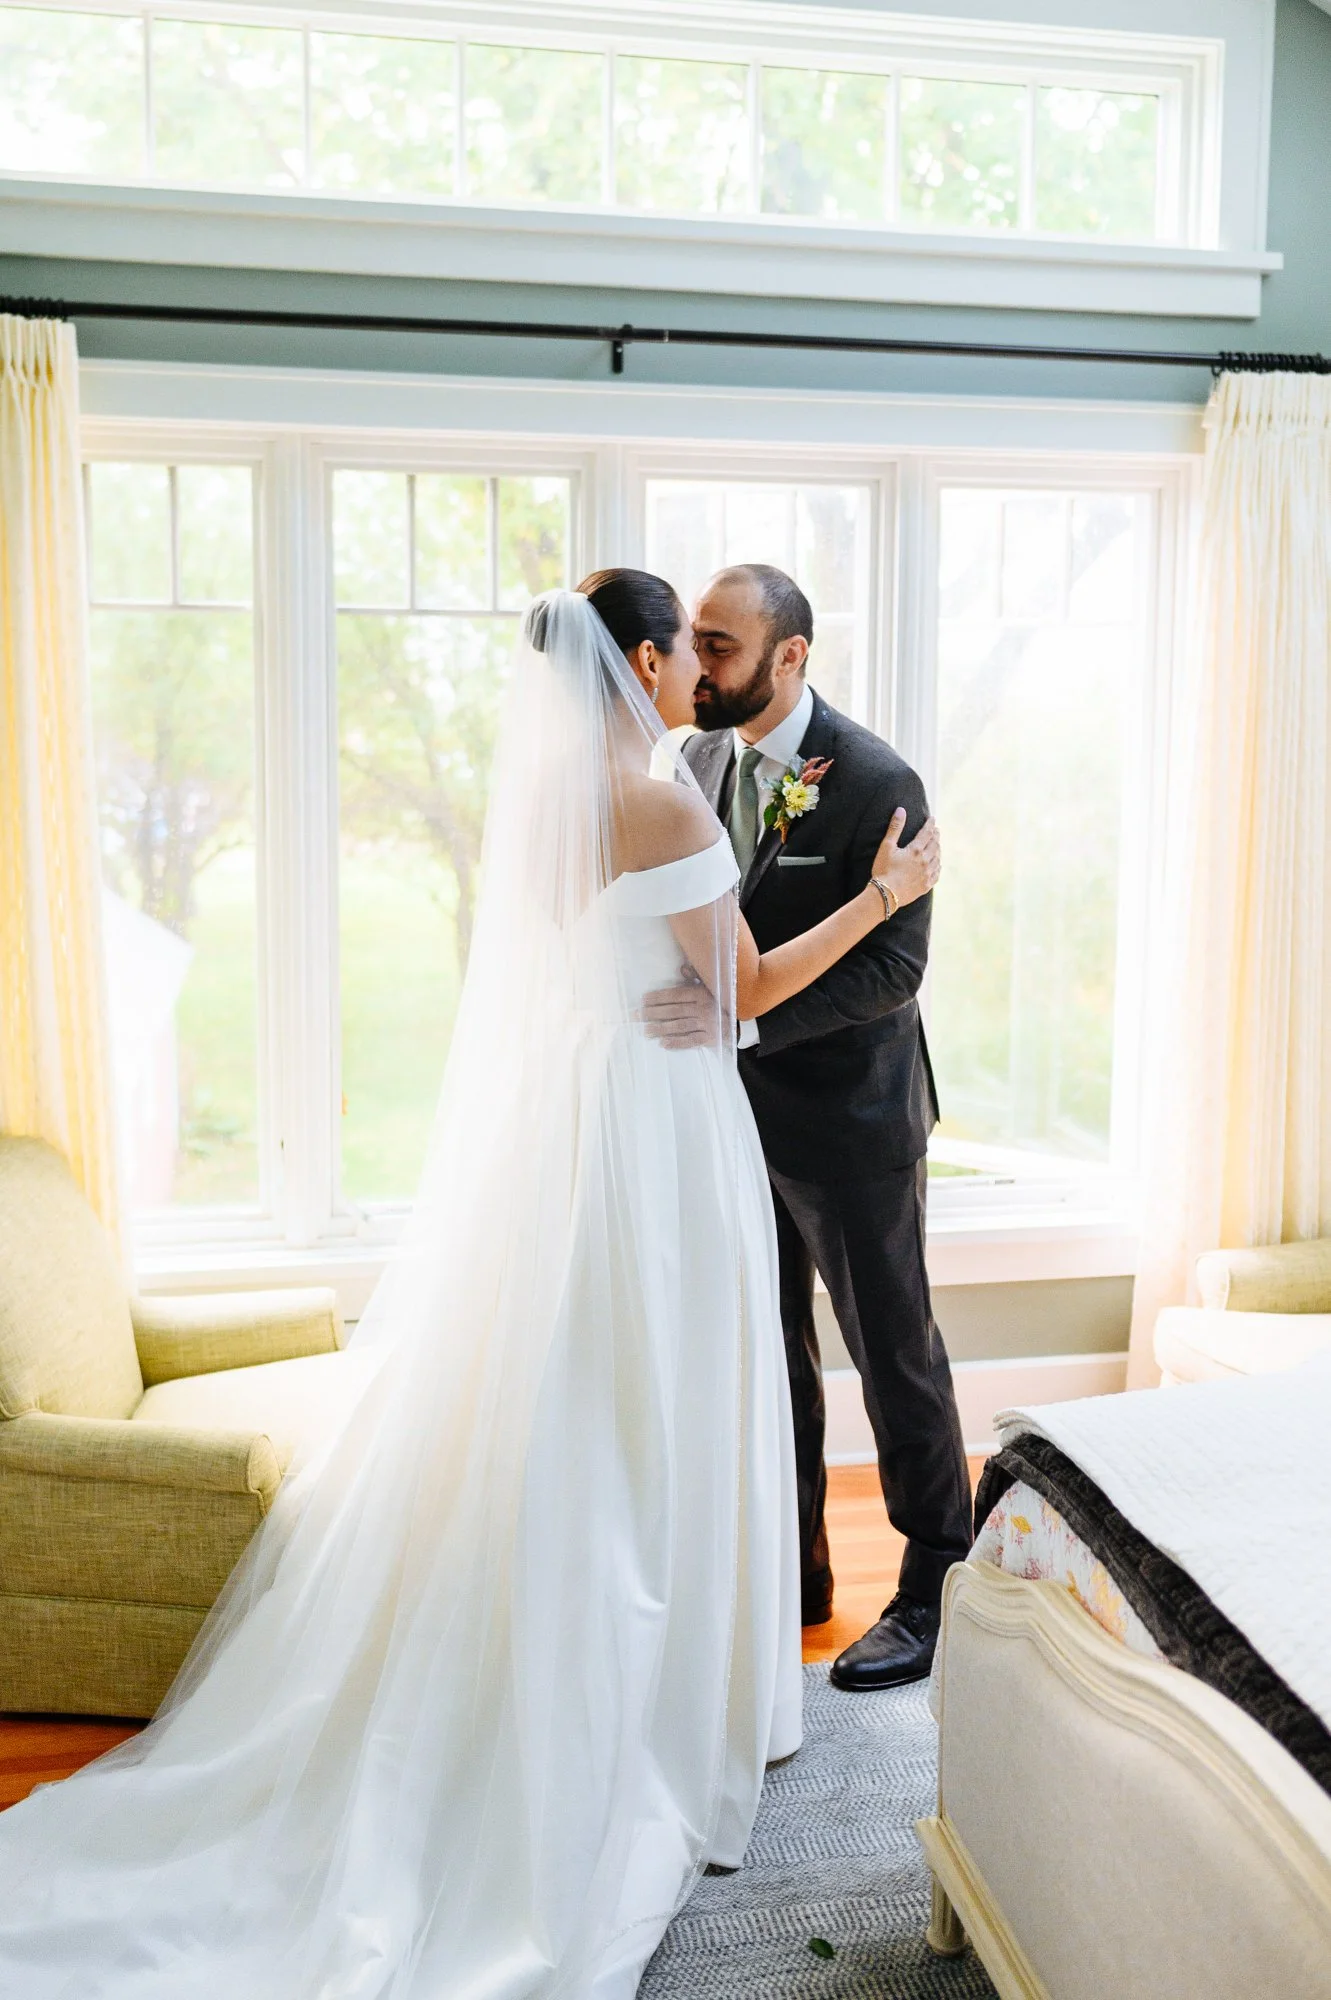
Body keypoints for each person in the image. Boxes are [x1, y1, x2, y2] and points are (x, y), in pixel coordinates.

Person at [0, 575, 938, 1999]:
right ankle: (660, 1694)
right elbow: (739, 991)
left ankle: (601, 1655)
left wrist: (709, 989)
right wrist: (882, 894)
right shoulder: (665, 801)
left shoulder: (550, 802)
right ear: (642, 663)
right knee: (671, 1397)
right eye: (682, 647)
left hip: (585, 1116)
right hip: (663, 1126)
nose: (695, 667)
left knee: (601, 1399)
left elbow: (608, 974)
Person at [661, 563, 972, 1694]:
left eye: (719, 645)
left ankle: (935, 1583)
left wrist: (743, 1022)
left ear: (789, 656)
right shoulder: (696, 762)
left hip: (852, 1124)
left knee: (893, 1351)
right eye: (694, 640)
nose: (697, 663)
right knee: (769, 1350)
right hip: (731, 1121)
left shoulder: (880, 780)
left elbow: (894, 970)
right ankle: (796, 1573)